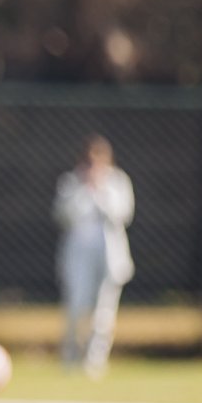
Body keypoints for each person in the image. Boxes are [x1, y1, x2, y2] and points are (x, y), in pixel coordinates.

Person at [53, 135, 134, 378]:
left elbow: (122, 214)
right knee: (77, 305)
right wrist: (84, 190)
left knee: (104, 311)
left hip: (109, 255)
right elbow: (63, 216)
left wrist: (100, 192)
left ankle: (95, 361)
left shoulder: (117, 182)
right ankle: (70, 356)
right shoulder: (70, 183)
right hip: (78, 254)